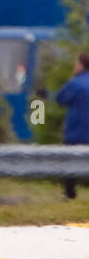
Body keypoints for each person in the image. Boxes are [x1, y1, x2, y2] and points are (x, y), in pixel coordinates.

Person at [55, 52, 89, 198]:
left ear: (81, 65)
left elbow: (60, 99)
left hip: (76, 131)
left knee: (70, 164)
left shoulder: (75, 83)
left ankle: (70, 194)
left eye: (76, 63)